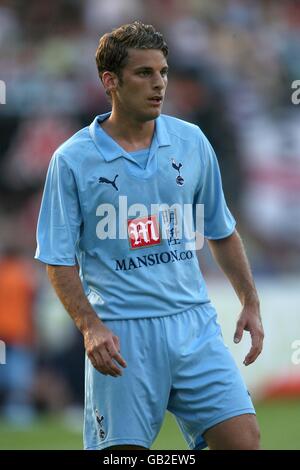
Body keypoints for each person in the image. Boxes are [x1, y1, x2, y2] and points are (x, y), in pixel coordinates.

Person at [35, 21, 264, 450]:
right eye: (144, 73)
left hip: (194, 325)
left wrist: (250, 301)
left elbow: (222, 230)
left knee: (244, 442)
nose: (158, 83)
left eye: (163, 72)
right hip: (124, 335)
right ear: (111, 81)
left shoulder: (191, 141)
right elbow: (57, 259)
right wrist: (90, 328)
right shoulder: (71, 160)